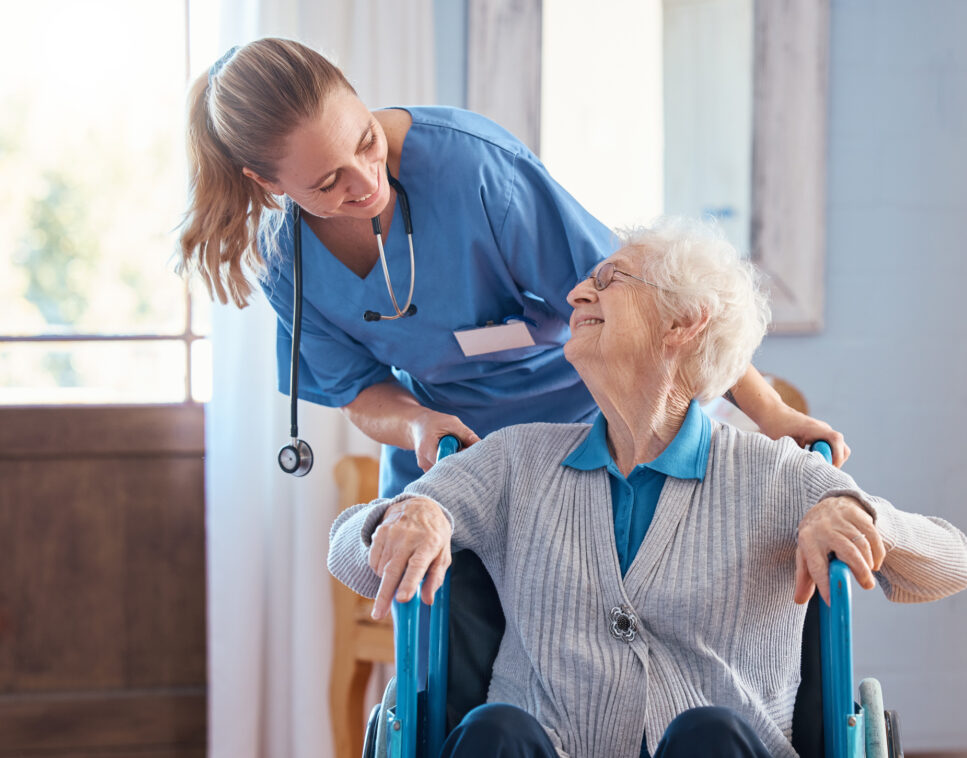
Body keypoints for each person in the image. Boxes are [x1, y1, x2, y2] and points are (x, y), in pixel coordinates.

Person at [327, 216, 967, 758]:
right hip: (538, 745)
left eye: (608, 281)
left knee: (709, 733)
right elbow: (345, 552)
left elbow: (951, 564)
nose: (577, 294)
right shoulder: (517, 461)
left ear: (683, 324)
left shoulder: (775, 475)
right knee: (495, 731)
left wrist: (857, 518)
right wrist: (407, 515)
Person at [177, 37, 850, 499]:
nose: (365, 184)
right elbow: (358, 390)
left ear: (359, 98)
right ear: (268, 186)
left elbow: (648, 299)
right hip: (457, 453)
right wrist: (416, 425)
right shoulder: (284, 261)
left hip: (593, 424)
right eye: (328, 183)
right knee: (437, 623)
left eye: (367, 142)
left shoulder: (472, 169)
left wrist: (768, 413)